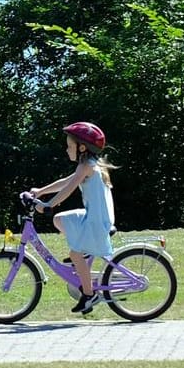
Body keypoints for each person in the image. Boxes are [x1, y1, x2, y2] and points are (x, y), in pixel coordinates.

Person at [24, 121, 116, 314]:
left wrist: (49, 205)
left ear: (82, 147)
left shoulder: (86, 167)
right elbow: (66, 182)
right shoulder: (86, 165)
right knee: (59, 219)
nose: (66, 150)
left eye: (69, 146)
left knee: (75, 254)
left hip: (97, 221)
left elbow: (69, 188)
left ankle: (89, 295)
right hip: (94, 216)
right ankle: (84, 254)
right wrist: (41, 192)